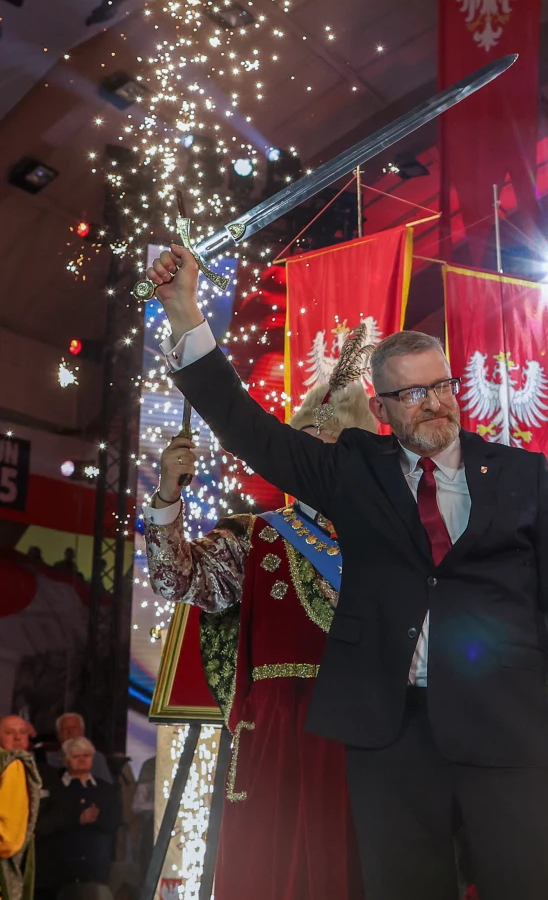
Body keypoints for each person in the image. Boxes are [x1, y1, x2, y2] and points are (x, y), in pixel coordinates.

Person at [144, 246, 548, 900]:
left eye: (441, 385)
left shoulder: (523, 474)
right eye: (412, 393)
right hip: (390, 738)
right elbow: (249, 429)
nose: (434, 403)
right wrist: (186, 311)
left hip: (506, 731)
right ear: (381, 406)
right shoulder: (354, 469)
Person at [143, 334, 379, 900]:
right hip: (275, 727)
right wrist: (167, 497)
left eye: (321, 440)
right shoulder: (256, 534)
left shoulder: (387, 538)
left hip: (364, 724)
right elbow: (178, 579)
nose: (304, 452)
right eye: (298, 440)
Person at [35, 738, 121, 900]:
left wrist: (96, 818)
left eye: (86, 755)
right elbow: (43, 824)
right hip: (57, 871)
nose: (82, 760)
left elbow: (116, 821)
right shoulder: (54, 787)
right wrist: (77, 820)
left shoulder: (105, 788)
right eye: (76, 756)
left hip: (96, 868)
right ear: (65, 760)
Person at [0, 716, 40, 900]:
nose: (17, 738)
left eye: (22, 732)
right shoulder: (12, 764)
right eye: (9, 733)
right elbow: (8, 841)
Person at [45, 714, 111, 785]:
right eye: (64, 729)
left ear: (82, 731)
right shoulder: (47, 759)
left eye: (74, 728)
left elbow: (107, 787)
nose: (70, 732)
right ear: (58, 735)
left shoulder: (97, 758)